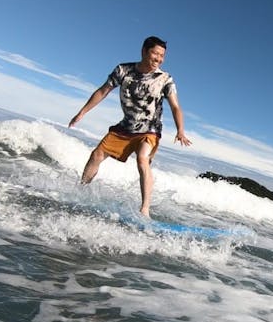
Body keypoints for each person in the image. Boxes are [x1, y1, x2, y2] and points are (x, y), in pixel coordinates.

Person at [68, 36, 191, 218]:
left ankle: (145, 209)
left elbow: (175, 106)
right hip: (126, 127)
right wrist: (82, 112)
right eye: (155, 53)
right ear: (144, 51)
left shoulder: (165, 79)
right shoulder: (123, 70)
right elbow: (103, 91)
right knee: (96, 155)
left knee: (142, 158)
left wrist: (180, 130)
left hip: (150, 129)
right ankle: (80, 190)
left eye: (162, 55)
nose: (158, 58)